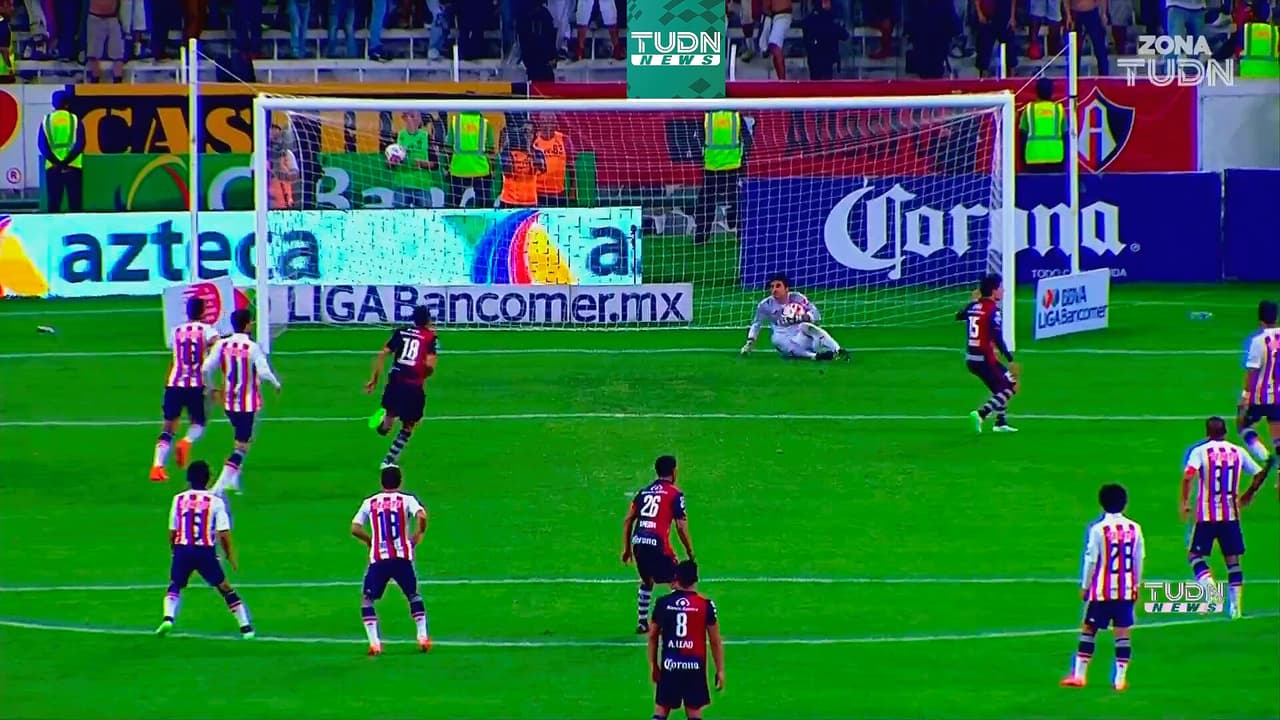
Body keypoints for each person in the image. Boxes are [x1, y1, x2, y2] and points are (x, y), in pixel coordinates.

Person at [1181, 416, 1271, 619]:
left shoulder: (1200, 451)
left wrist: (1185, 502)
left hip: (1206, 514)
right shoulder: (1238, 452)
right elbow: (1259, 473)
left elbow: (1188, 475)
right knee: (1233, 561)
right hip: (1230, 515)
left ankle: (1212, 593)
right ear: (1225, 432)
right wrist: (1248, 494)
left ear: (1208, 433)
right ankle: (1235, 608)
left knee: (1194, 556)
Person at [156, 461, 256, 639]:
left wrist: (174, 551)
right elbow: (223, 533)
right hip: (205, 551)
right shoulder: (216, 502)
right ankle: (246, 628)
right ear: (208, 479)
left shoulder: (179, 499)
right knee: (224, 587)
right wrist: (230, 555)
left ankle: (168, 618)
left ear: (188, 479)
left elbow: (173, 530)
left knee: (175, 584)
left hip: (183, 548)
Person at [1060, 483, 1143, 691]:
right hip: (1125, 589)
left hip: (1102, 591)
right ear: (1125, 503)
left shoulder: (1098, 529)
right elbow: (1138, 558)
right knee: (1122, 632)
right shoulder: (1134, 528)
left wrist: (1085, 585)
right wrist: (1136, 585)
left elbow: (1091, 559)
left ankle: (1079, 676)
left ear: (1102, 503)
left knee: (1089, 628)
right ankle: (1120, 680)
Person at [351, 465, 431, 656]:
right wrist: (419, 533)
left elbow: (355, 528)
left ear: (381, 482)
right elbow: (422, 515)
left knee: (367, 600)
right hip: (402, 557)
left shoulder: (370, 502)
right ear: (400, 481)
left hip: (379, 559)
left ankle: (374, 643)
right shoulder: (407, 500)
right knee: (413, 595)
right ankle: (422, 636)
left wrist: (370, 541)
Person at [201, 309, 282, 496]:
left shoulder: (222, 344)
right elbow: (263, 372)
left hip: (228, 403)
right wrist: (276, 383)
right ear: (247, 325)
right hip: (247, 404)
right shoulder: (252, 347)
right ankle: (217, 489)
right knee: (242, 447)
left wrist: (211, 387)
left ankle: (233, 481)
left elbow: (205, 368)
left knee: (240, 440)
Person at [621, 455, 695, 634]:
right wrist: (689, 551)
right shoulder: (674, 494)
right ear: (674, 471)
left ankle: (642, 622)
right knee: (677, 579)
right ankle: (674, 622)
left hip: (639, 542)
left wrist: (627, 549)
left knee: (647, 580)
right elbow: (681, 526)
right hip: (657, 543)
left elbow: (628, 519)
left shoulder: (644, 492)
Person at [151, 297, 222, 483]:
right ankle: (186, 442)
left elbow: (175, 352)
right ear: (203, 311)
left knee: (168, 426)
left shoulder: (176, 331)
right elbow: (217, 346)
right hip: (195, 385)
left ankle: (157, 467)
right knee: (199, 423)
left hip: (174, 384)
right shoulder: (207, 330)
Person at [647, 560, 725, 719]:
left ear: (677, 578)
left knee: (661, 710)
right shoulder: (706, 605)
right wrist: (720, 670)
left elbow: (653, 636)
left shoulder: (663, 603)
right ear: (695, 580)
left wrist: (654, 665)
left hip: (670, 666)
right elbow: (715, 641)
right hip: (694, 668)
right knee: (694, 711)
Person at [365, 305, 439, 468]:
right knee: (408, 426)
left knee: (386, 427)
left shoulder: (401, 332)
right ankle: (387, 461)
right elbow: (430, 366)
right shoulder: (430, 337)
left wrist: (374, 379)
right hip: (412, 387)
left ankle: (384, 420)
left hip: (395, 381)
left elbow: (383, 353)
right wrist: (423, 371)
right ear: (428, 319)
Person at [958, 273, 1019, 433]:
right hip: (984, 359)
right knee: (1009, 387)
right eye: (1001, 287)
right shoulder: (993, 310)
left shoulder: (974, 306)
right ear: (993, 291)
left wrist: (973, 301)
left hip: (971, 359)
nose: (1003, 290)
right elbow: (997, 336)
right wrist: (1010, 358)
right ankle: (981, 414)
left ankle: (1000, 422)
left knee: (1001, 386)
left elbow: (959, 316)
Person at [740, 273, 848, 361]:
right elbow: (756, 324)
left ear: (786, 288)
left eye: (778, 286)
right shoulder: (765, 305)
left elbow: (816, 314)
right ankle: (815, 356)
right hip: (783, 336)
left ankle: (838, 350)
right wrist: (750, 341)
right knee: (776, 339)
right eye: (772, 287)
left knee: (806, 326)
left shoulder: (798, 298)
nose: (774, 290)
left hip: (802, 335)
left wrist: (803, 317)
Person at [693, 109, 750, 245]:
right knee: (736, 201)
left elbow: (697, 139)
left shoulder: (708, 116)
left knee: (706, 203)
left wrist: (702, 157)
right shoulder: (736, 115)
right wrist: (742, 158)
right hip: (733, 166)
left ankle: (701, 236)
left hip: (712, 167)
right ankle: (741, 234)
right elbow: (747, 139)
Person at [1238, 300, 1280, 468]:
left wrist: (1245, 396)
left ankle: (1266, 457)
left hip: (1259, 396)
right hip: (1278, 396)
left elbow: (1252, 371)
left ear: (1260, 319)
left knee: (1243, 426)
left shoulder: (1258, 341)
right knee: (1277, 433)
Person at [38, 91, 86, 213]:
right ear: (67, 104)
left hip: (53, 167)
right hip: (73, 167)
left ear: (53, 104)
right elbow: (81, 144)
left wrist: (57, 163)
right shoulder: (75, 120)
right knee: (75, 204)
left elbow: (42, 146)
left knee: (54, 205)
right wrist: (66, 163)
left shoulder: (46, 120)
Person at [445, 110, 495, 208]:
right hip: (481, 170)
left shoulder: (455, 121)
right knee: (484, 205)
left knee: (452, 205)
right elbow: (491, 149)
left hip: (458, 169)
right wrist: (493, 168)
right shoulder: (485, 123)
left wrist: (446, 166)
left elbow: (448, 147)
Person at [389, 111, 436, 208]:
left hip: (422, 186)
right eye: (411, 116)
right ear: (404, 118)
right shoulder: (397, 136)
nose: (415, 120)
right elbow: (388, 164)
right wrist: (393, 162)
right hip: (402, 185)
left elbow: (435, 165)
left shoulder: (427, 137)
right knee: (399, 215)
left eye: (417, 117)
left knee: (425, 215)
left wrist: (421, 164)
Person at [1019, 78, 1066, 174]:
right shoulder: (1059, 110)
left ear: (1036, 92)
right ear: (1052, 91)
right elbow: (1066, 136)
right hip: (1056, 158)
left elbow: (1022, 136)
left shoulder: (1029, 109)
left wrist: (1022, 158)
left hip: (1033, 158)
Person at [497, 117, 545, 209]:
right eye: (525, 131)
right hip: (509, 202)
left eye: (530, 132)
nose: (527, 135)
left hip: (530, 202)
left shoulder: (538, 153)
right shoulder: (508, 152)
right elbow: (508, 172)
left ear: (535, 135)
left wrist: (529, 150)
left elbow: (542, 168)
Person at [533, 113, 572, 206]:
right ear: (539, 123)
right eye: (544, 121)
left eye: (550, 121)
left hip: (558, 193)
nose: (547, 125)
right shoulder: (532, 139)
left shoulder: (564, 140)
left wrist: (573, 190)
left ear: (555, 123)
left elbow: (572, 167)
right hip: (536, 192)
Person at [801, 0, 847, 80]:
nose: (829, 4)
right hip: (817, 59)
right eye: (826, 2)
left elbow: (844, 35)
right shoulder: (811, 20)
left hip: (828, 59)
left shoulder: (831, 19)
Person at [1064, 0, 1109, 75]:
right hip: (1075, 13)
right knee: (1074, 48)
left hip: (1092, 13)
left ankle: (1104, 76)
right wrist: (1068, 15)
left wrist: (1103, 14)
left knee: (1100, 47)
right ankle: (1072, 76)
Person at [974, 0, 1017, 77]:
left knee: (1011, 50)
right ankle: (983, 80)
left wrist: (1012, 17)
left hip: (1005, 16)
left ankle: (1012, 78)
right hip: (987, 18)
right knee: (984, 51)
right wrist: (979, 14)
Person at [518, 0, 558, 82]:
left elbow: (551, 37)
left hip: (543, 63)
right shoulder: (524, 17)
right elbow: (523, 39)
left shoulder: (545, 15)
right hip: (534, 63)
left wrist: (553, 55)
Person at [86, 0, 125, 83]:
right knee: (93, 54)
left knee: (117, 54)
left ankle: (118, 82)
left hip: (113, 17)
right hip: (95, 17)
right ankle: (94, 82)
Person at [758, 0, 792, 78]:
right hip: (772, 16)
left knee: (774, 46)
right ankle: (781, 79)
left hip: (783, 15)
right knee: (773, 49)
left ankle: (783, 81)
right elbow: (765, 7)